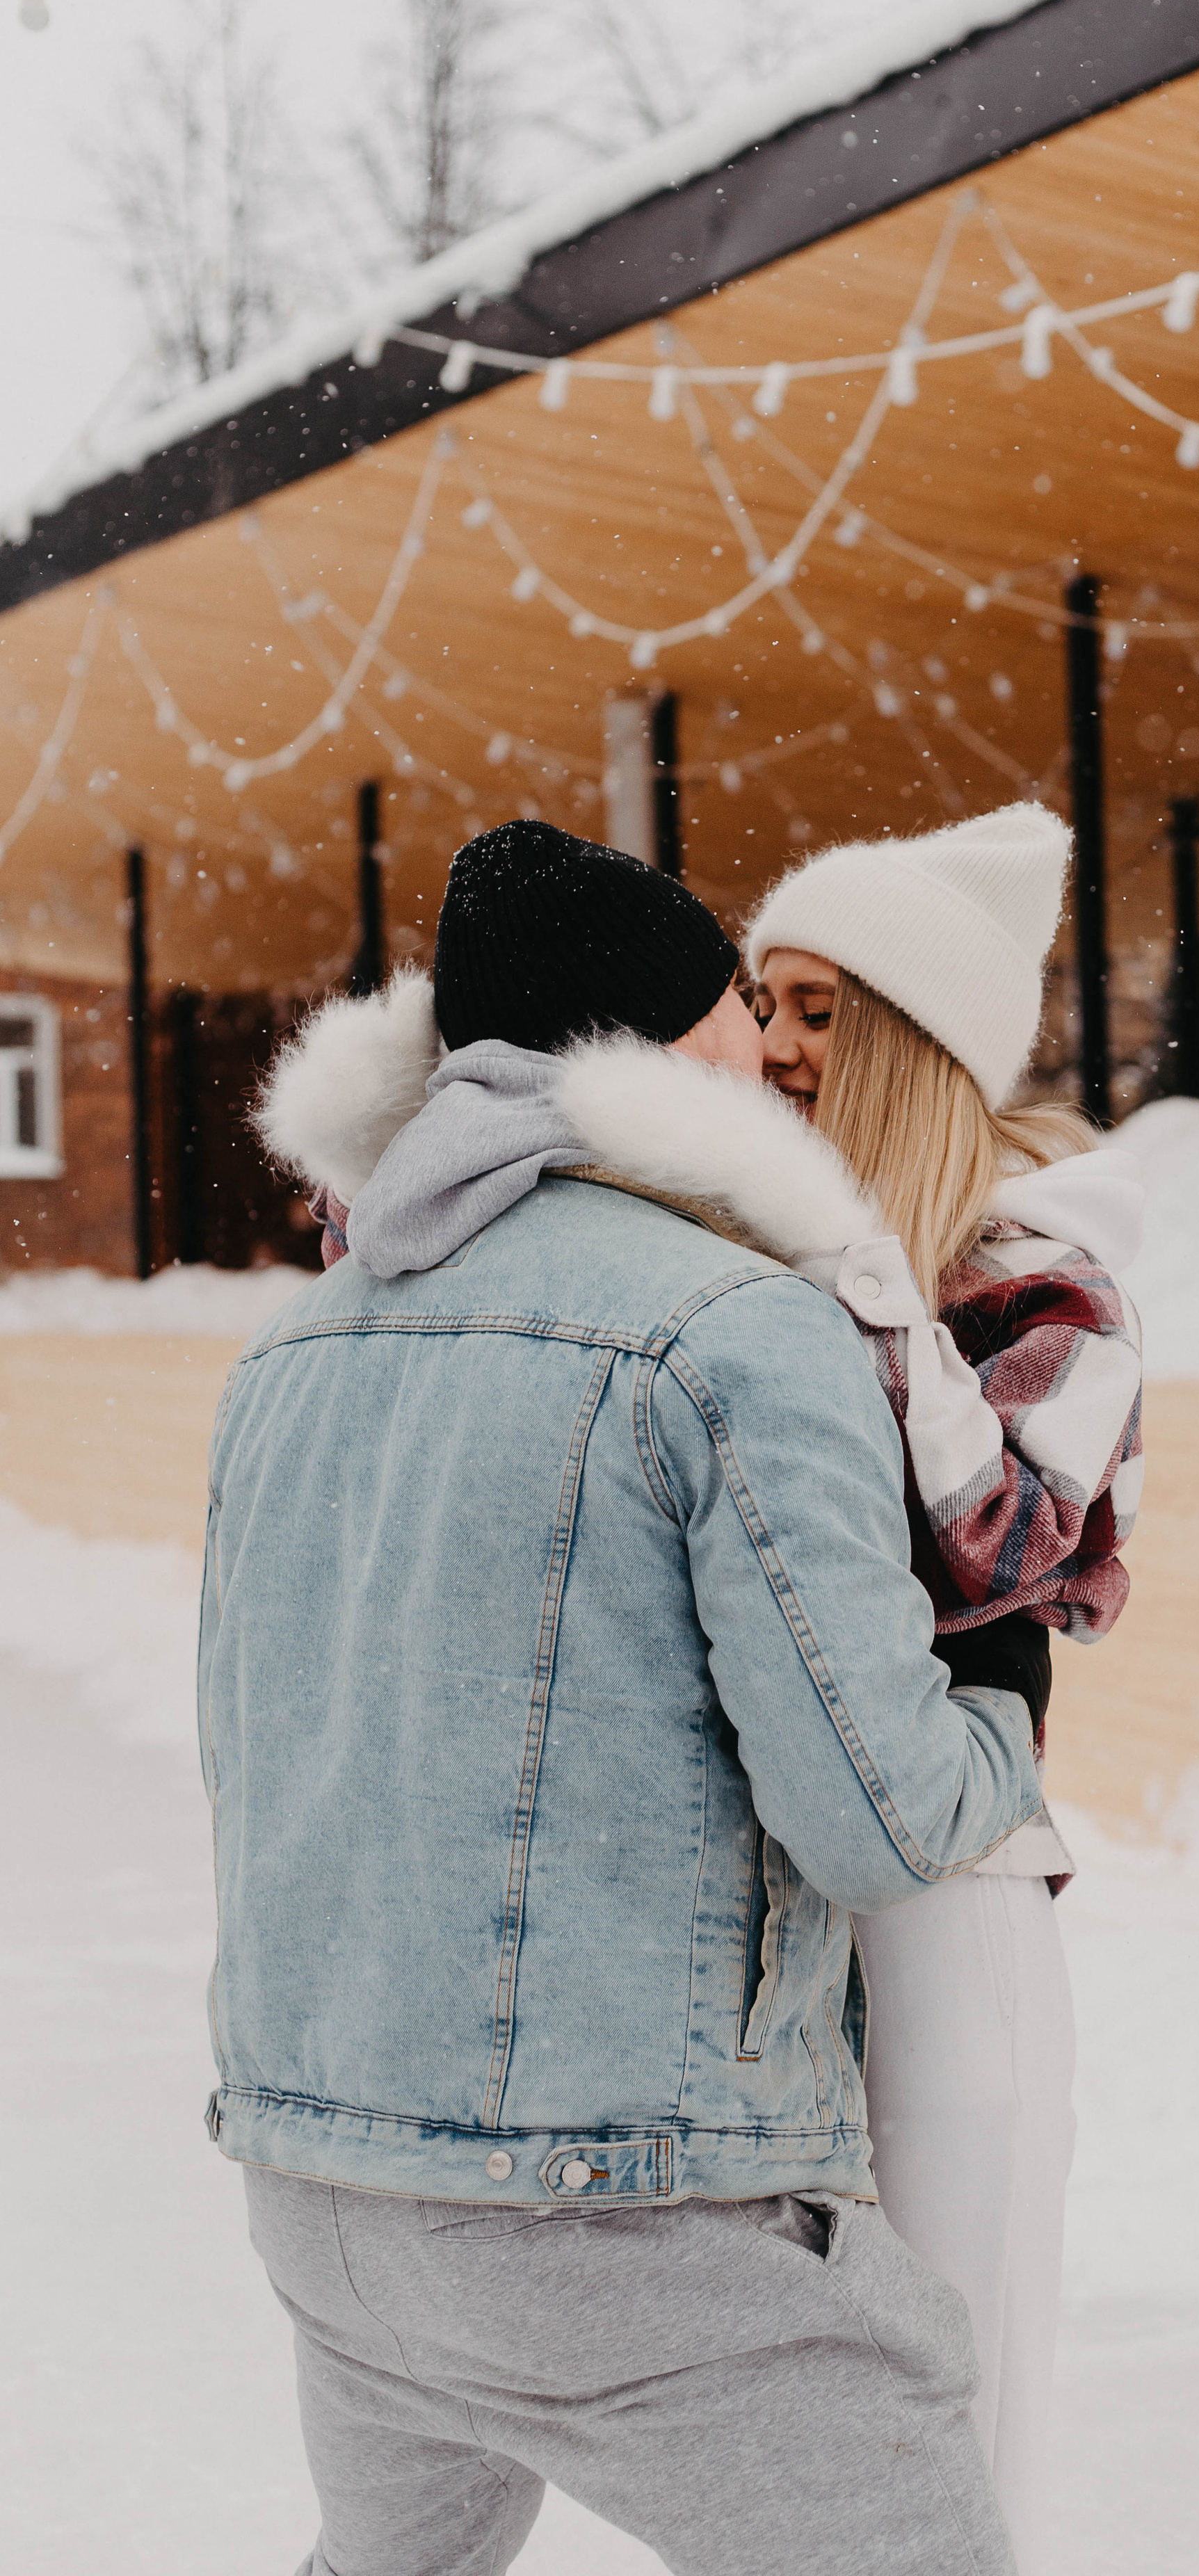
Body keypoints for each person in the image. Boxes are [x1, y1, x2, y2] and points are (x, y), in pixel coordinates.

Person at [229, 819, 1045, 2576]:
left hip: (324, 2199)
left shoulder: (285, 1359)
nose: (776, 1060)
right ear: (675, 1054)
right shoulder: (737, 1331)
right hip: (623, 2216)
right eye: (750, 1022)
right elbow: (878, 1811)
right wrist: (1000, 1689)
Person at [746, 801, 1145, 2575]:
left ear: (915, 1042)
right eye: (763, 1003)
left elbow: (1014, 1554)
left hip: (949, 1897)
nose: (771, 1047)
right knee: (776, 2408)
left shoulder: (1031, 1286)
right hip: (760, 1901)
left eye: (821, 1011)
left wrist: (884, 1317)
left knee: (960, 2387)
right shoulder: (742, 1253)